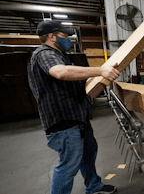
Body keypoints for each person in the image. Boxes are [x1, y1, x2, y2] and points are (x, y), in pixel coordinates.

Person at [27, 21, 120, 194]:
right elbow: (60, 73)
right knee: (69, 164)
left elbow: (69, 79)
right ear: (51, 36)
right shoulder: (45, 54)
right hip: (64, 121)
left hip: (77, 117)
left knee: (88, 156)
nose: (68, 39)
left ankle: (94, 186)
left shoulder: (61, 55)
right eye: (64, 36)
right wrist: (100, 71)